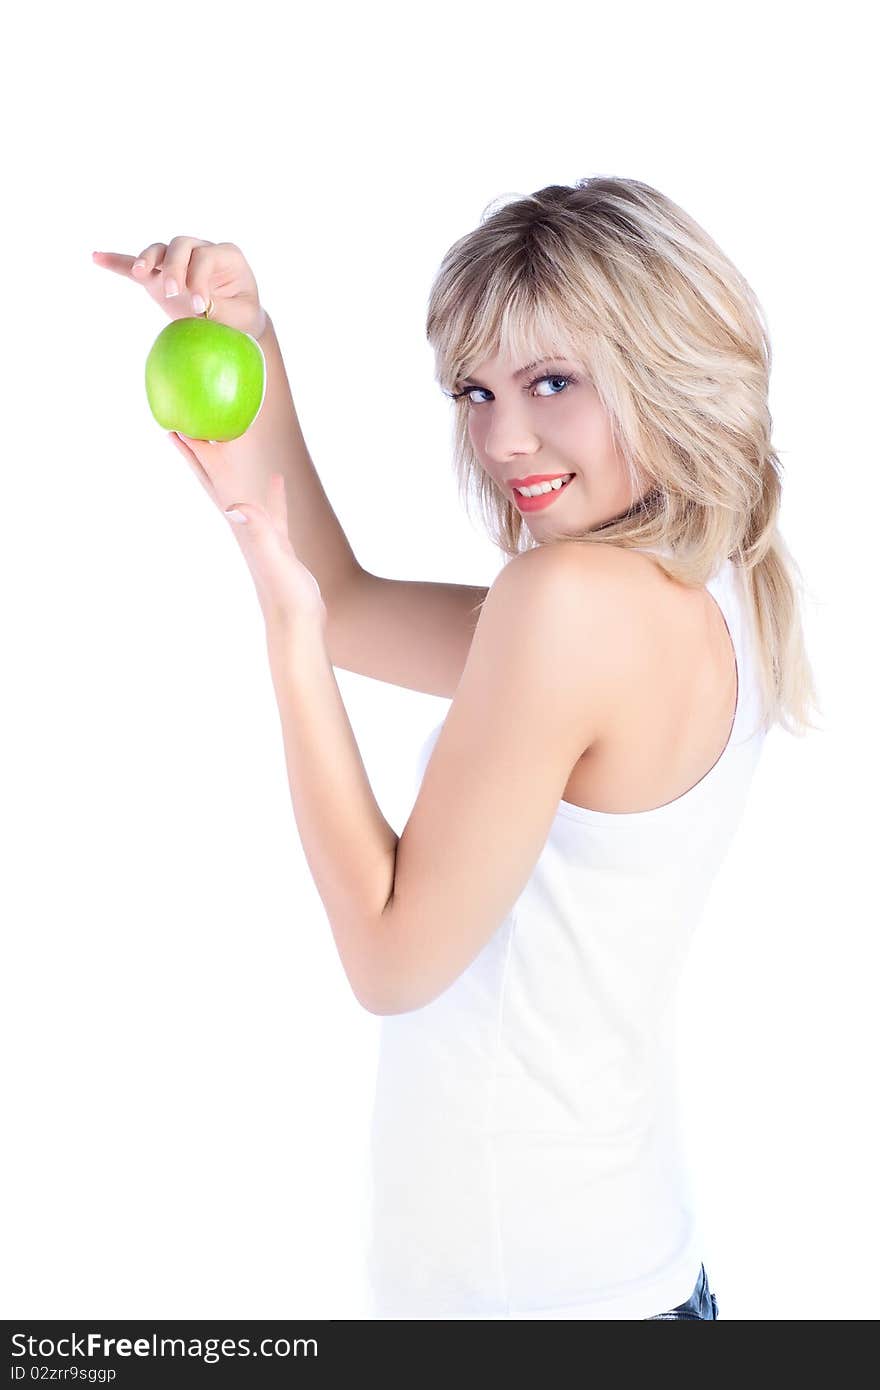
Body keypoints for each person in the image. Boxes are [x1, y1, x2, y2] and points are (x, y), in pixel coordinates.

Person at [93, 175, 821, 1319]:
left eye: (551, 381)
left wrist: (286, 643)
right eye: (474, 389)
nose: (500, 435)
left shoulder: (570, 601)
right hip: (625, 1270)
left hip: (534, 1302)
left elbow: (389, 958)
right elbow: (346, 593)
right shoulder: (707, 588)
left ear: (666, 367)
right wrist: (254, 344)